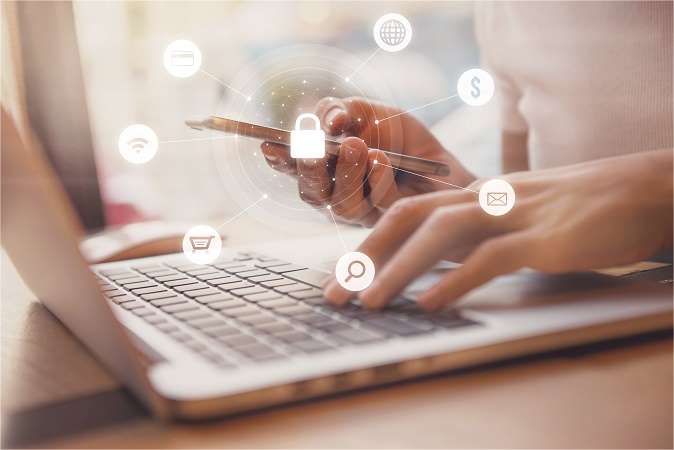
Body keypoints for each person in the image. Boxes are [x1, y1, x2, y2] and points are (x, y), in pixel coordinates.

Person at [261, 2, 673, 310]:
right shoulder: (506, 11)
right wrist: (461, 201)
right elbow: (540, 203)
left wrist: (660, 189)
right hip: (594, 322)